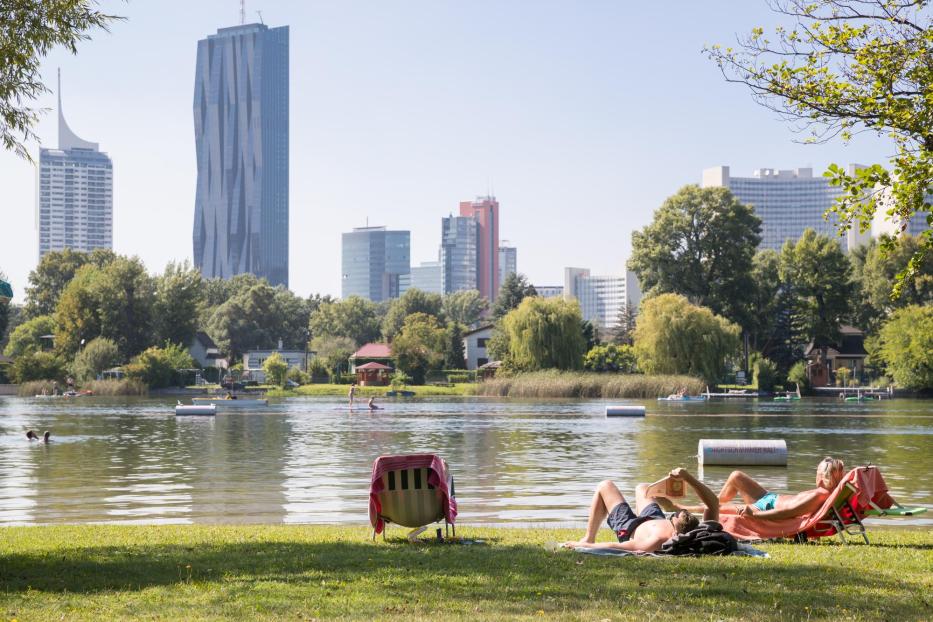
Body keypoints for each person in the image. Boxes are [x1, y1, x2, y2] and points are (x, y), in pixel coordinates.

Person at [563, 468, 719, 554]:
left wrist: (581, 545)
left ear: (676, 533)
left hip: (630, 527)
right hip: (654, 517)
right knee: (644, 488)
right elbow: (713, 503)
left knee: (605, 485)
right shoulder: (699, 530)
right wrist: (687, 478)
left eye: (681, 514)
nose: (683, 512)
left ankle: (588, 538)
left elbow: (618, 547)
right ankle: (666, 505)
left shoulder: (657, 539)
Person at [671, 457, 845, 521]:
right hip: (769, 498)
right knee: (736, 476)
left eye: (817, 471)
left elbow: (788, 512)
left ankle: (680, 509)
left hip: (765, 508)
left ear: (823, 476)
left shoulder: (820, 495)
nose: (815, 474)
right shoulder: (823, 494)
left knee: (720, 509)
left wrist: (754, 515)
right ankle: (706, 501)